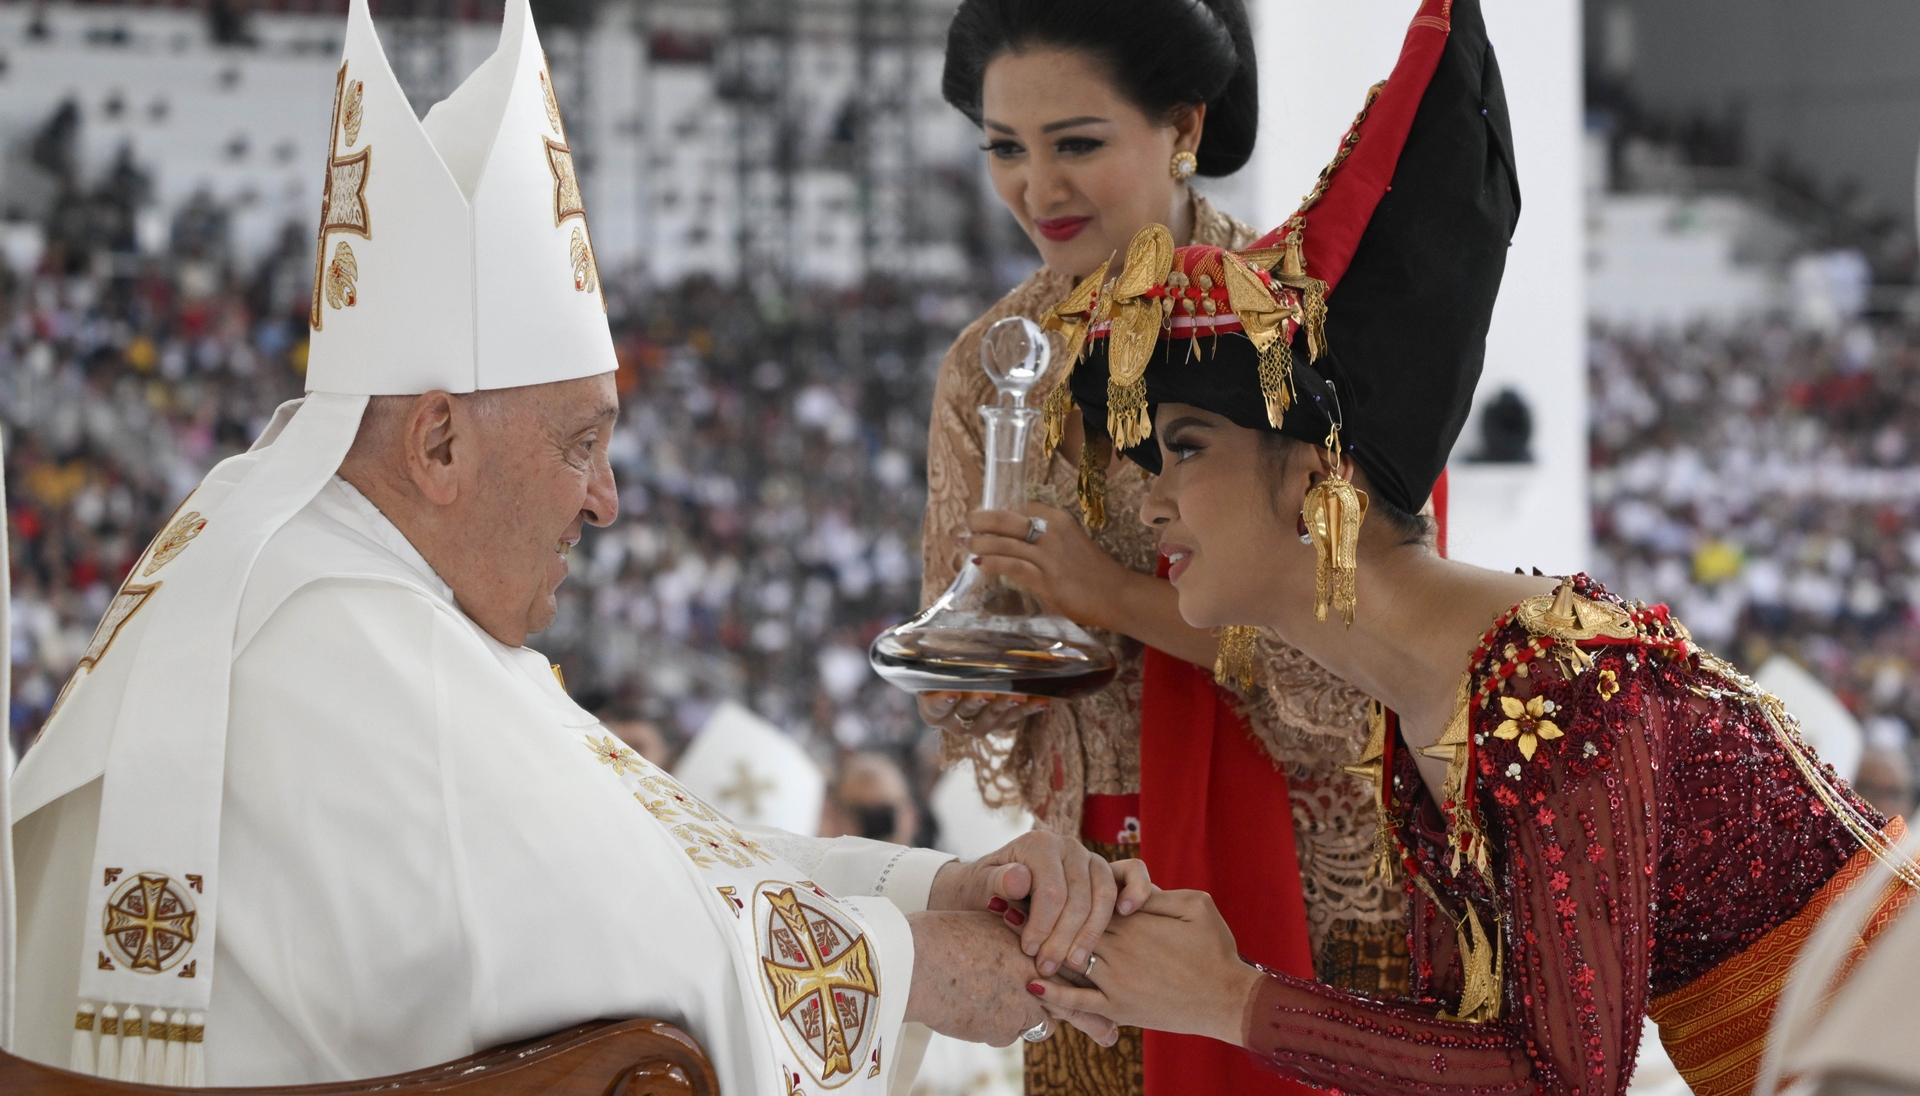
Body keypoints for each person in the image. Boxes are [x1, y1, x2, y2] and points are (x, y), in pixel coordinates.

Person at [4, 3, 1141, 1091]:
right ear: (438, 440)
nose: (604, 499)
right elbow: (616, 932)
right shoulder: (326, 627)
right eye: (580, 441)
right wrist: (913, 964)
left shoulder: (347, 583)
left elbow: (661, 855)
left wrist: (937, 885)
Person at [1007, 3, 1918, 1096]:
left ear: (1314, 473)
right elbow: (1482, 1044)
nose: (1148, 498)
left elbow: (1560, 1078)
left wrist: (1229, 998)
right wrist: (1173, 977)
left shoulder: (1553, 698)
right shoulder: (1442, 699)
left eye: (1184, 446)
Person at [927, 2, 1403, 1091]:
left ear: (1183, 124)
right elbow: (963, 683)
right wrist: (979, 651)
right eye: (1006, 148)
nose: (1037, 191)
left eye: (1077, 144)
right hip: (1086, 909)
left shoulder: (1302, 330)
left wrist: (1104, 595)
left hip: (1316, 893)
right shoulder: (989, 367)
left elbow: (1359, 673)